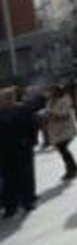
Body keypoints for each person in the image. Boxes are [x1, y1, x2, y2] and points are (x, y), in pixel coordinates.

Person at [0, 86, 38, 216]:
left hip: (22, 148)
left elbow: (33, 126)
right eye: (4, 98)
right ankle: (11, 206)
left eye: (9, 97)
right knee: (9, 178)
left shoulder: (23, 109)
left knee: (25, 176)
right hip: (4, 151)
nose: (7, 100)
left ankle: (27, 201)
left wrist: (32, 142)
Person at [45, 84, 77, 181]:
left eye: (51, 91)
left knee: (63, 149)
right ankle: (72, 167)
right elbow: (48, 110)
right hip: (55, 130)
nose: (50, 93)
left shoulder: (65, 100)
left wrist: (51, 113)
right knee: (62, 150)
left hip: (65, 129)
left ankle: (72, 168)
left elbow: (65, 114)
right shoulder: (50, 101)